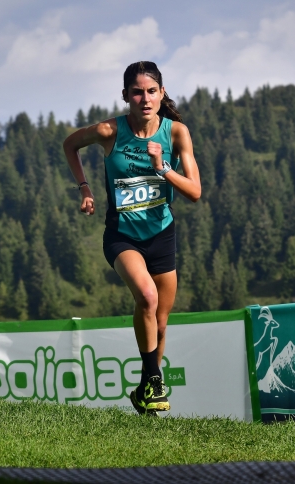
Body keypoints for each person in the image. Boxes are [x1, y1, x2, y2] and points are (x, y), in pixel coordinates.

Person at [63, 61, 201, 415]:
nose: (145, 98)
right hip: (122, 236)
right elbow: (70, 145)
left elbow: (195, 192)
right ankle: (155, 382)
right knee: (146, 296)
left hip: (162, 234)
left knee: (161, 319)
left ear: (162, 93)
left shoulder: (175, 133)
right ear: (125, 95)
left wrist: (163, 168)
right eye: (137, 92)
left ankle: (145, 390)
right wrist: (85, 188)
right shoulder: (110, 131)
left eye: (151, 91)